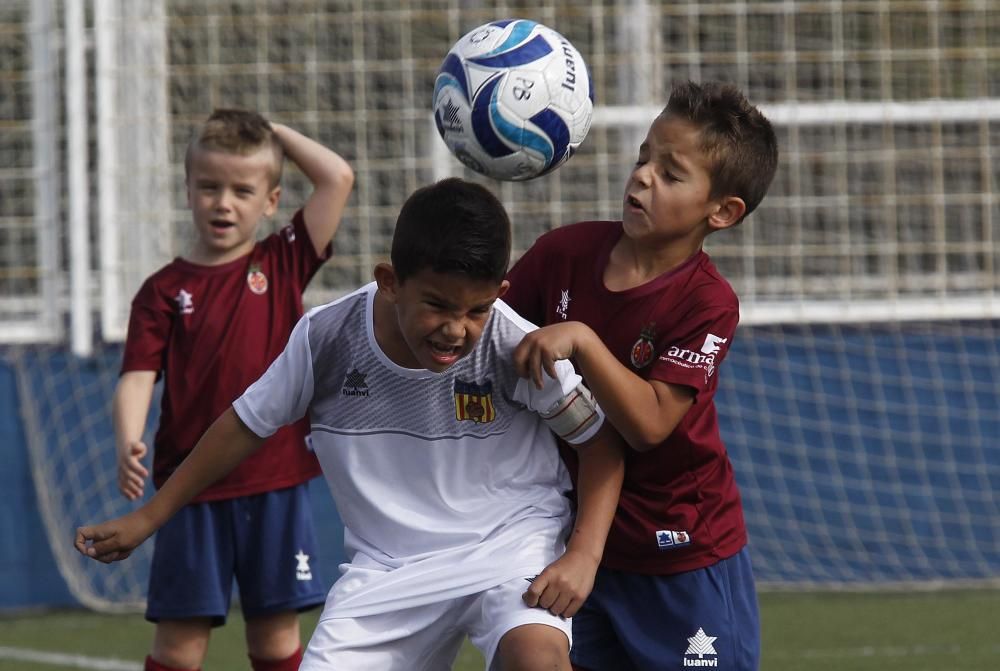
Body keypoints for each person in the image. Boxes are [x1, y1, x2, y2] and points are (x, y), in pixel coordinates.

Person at [78, 177, 626, 671]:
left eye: (477, 310)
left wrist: (583, 554)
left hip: (509, 548)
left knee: (538, 661)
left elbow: (599, 443)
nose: (456, 329)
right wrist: (149, 517)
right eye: (437, 305)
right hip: (388, 569)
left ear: (499, 296)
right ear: (389, 281)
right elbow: (244, 424)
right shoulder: (327, 338)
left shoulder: (514, 343)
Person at [505, 80, 779, 671]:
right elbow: (492, 335)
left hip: (681, 556)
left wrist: (580, 338)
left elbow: (650, 424)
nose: (642, 177)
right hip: (577, 545)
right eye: (643, 157)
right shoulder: (562, 255)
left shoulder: (708, 303)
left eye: (671, 173)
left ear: (723, 211)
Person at [111, 108, 354, 671]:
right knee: (179, 647)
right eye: (209, 187)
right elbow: (137, 377)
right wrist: (128, 438)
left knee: (274, 641)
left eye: (243, 190)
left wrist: (272, 131)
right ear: (187, 190)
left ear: (270, 202)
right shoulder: (163, 290)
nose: (224, 202)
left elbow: (337, 177)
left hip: (273, 482)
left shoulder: (284, 260)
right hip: (188, 491)